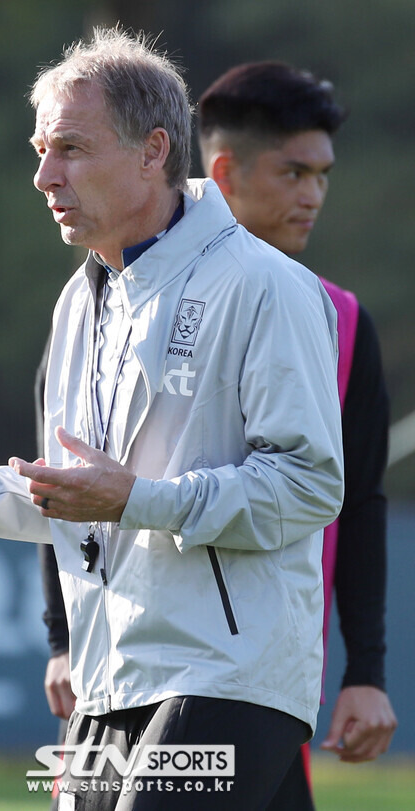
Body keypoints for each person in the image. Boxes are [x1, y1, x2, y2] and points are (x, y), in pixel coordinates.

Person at [0, 30, 344, 810]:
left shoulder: (269, 287)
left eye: (71, 149)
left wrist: (136, 500)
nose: (43, 174)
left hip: (224, 678)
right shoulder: (77, 301)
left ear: (155, 151)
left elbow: (309, 486)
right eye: (40, 148)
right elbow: (79, 499)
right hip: (106, 683)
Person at [197, 61, 397, 807]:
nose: (313, 194)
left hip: (275, 687)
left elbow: (360, 503)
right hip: (157, 673)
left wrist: (365, 670)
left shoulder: (343, 323)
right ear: (225, 173)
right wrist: (63, 637)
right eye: (293, 172)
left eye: (322, 174)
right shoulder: (136, 305)